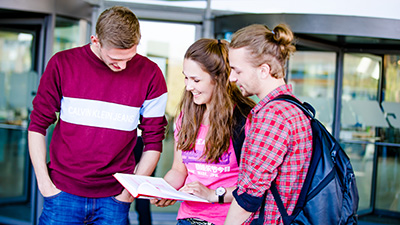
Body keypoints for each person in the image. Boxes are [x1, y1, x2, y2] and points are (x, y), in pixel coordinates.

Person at [28, 6, 168, 225]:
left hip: (114, 198)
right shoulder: (62, 64)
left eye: (129, 58)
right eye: (114, 59)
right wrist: (44, 184)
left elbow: (154, 141)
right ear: (95, 41)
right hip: (62, 192)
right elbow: (37, 125)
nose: (122, 66)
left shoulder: (151, 73)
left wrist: (129, 192)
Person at [151, 38, 255, 225]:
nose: (189, 87)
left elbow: (253, 187)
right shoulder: (186, 115)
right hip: (188, 218)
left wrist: (212, 195)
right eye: (186, 77)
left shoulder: (245, 119)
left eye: (196, 80)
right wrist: (164, 190)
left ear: (220, 79)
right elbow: (178, 170)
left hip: (229, 220)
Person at [224, 24, 313, 224]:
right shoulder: (295, 108)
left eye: (237, 70)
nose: (232, 78)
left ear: (264, 70)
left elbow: (249, 197)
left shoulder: (272, 117)